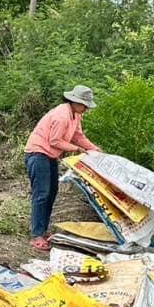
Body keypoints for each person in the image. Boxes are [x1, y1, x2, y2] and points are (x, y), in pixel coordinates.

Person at [25, 85, 101, 252]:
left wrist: (93, 149)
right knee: (42, 194)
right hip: (38, 154)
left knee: (52, 192)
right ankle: (37, 235)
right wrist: (76, 149)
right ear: (75, 102)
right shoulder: (61, 116)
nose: (86, 109)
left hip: (50, 156)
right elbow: (55, 141)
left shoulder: (75, 115)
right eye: (84, 105)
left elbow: (78, 136)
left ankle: (42, 230)